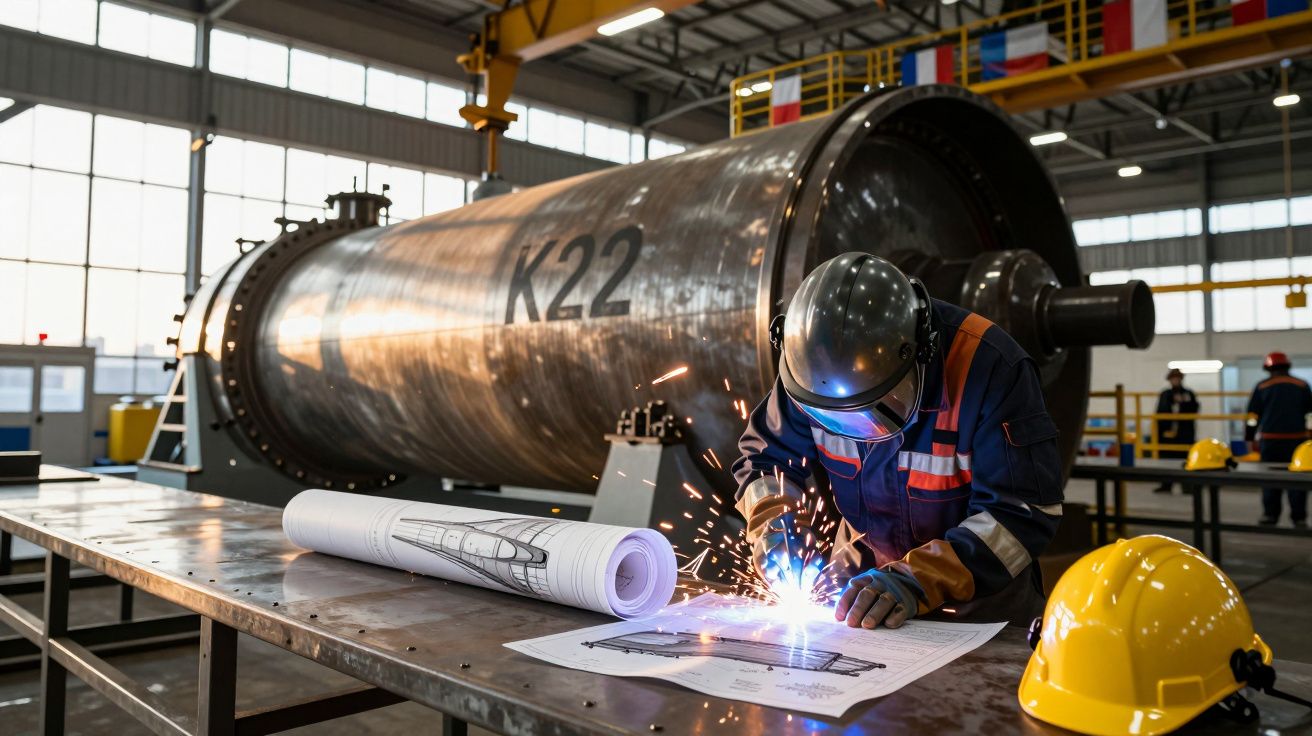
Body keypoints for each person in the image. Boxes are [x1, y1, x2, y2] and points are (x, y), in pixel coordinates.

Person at [732, 252, 1063, 630]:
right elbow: (765, 461)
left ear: (918, 354)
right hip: (855, 593)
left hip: (977, 610)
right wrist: (775, 526)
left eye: (871, 411)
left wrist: (915, 578)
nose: (856, 432)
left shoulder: (991, 368)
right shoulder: (809, 371)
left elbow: (1020, 515)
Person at [1246, 351, 1312, 528]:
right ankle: (1299, 518)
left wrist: (1249, 437)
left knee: (1270, 479)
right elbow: (1310, 414)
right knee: (1298, 480)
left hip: (1270, 441)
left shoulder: (1262, 387)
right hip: (1297, 441)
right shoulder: (1302, 385)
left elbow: (1252, 416)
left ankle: (1270, 515)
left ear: (1268, 368)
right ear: (1287, 366)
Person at [1153, 368, 1199, 493]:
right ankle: (1166, 485)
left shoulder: (1188, 393)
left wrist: (1182, 403)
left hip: (1185, 433)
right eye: (1173, 378)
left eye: (1177, 378)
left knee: (1185, 459)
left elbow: (1194, 409)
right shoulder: (1165, 394)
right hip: (1168, 433)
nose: (1175, 380)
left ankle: (1187, 486)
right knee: (1167, 459)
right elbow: (1160, 411)